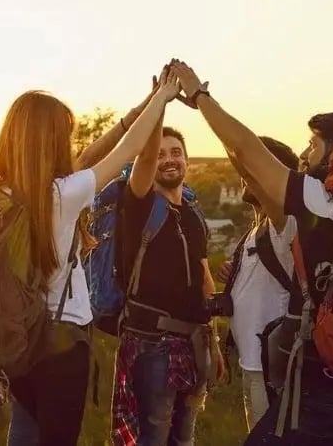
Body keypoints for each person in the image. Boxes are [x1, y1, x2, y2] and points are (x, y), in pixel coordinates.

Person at [170, 59, 333, 445]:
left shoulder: (322, 203)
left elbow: (247, 152)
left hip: (321, 381)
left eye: (314, 144)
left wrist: (202, 98)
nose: (305, 154)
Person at [0, 66, 183, 446]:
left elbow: (89, 155)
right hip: (62, 342)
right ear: (49, 141)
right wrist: (162, 99)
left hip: (18, 337)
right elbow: (127, 153)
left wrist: (140, 109)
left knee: (24, 432)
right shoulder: (60, 196)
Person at [111, 117, 226, 444]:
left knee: (184, 440)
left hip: (193, 344)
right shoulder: (140, 205)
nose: (169, 159)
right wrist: (160, 102)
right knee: (153, 438)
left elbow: (205, 278)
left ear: (187, 160)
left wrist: (212, 343)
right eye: (160, 154)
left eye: (176, 152)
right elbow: (144, 160)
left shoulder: (191, 214)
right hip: (152, 344)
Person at [216, 137, 299, 432]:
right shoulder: (257, 230)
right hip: (252, 363)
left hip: (271, 369)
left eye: (252, 169)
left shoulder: (285, 224)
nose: (244, 175)